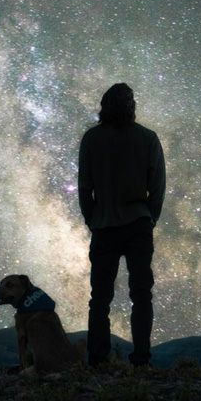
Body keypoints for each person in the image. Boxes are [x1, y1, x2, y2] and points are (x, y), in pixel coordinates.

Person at [78, 83, 165, 367]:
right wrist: (150, 217)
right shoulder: (148, 138)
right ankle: (141, 357)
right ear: (131, 106)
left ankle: (98, 359)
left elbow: (84, 187)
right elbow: (158, 186)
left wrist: (92, 218)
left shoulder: (92, 139)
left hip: (104, 225)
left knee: (100, 297)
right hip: (138, 224)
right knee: (141, 294)